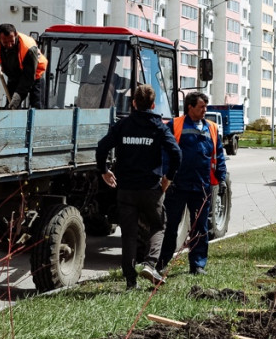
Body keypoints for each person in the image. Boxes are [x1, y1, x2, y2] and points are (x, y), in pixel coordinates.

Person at [95, 84, 182, 290]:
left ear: (133, 103)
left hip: (126, 190)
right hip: (151, 189)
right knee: (159, 225)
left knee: (129, 234)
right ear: (152, 105)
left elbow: (102, 147)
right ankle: (150, 264)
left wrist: (104, 170)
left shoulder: (123, 125)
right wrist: (168, 178)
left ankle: (130, 281)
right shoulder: (158, 126)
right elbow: (176, 153)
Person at [158, 91, 226, 276]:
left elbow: (218, 154)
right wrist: (167, 177)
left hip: (202, 186)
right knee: (171, 226)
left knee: (200, 227)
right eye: (201, 107)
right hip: (178, 186)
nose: (205, 110)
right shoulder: (175, 125)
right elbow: (166, 153)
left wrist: (221, 177)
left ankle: (197, 265)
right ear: (190, 107)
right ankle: (162, 263)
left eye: (206, 107)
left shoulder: (211, 128)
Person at [0, 24, 47, 109]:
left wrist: (18, 95)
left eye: (12, 41)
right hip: (14, 75)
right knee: (10, 107)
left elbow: (28, 77)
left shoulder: (28, 48)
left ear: (15, 35)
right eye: (5, 42)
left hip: (34, 75)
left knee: (36, 107)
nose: (9, 45)